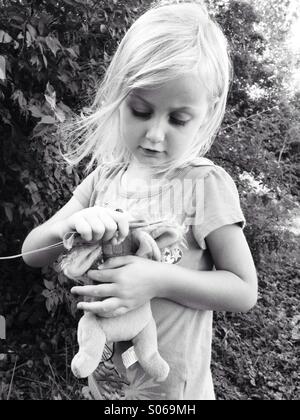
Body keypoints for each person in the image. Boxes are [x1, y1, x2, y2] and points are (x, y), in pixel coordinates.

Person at [22, 0, 258, 400]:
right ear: (120, 96)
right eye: (140, 110)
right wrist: (72, 226)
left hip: (172, 394)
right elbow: (31, 251)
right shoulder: (103, 179)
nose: (154, 135)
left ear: (209, 109)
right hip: (108, 387)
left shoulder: (204, 184)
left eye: (178, 119)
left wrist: (156, 280)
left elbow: (243, 289)